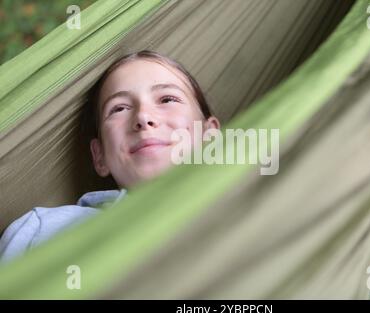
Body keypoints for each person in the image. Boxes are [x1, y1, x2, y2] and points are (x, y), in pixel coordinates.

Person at [0, 50, 220, 262]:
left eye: (167, 99)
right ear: (100, 157)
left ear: (210, 137)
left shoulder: (250, 206)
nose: (143, 117)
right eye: (119, 108)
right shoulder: (42, 232)